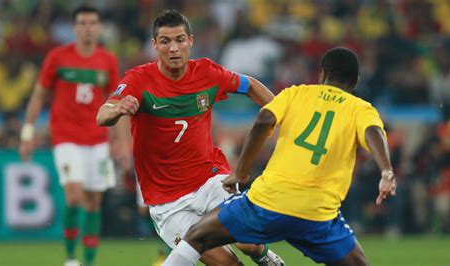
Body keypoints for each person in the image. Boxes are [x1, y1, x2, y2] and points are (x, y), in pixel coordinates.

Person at [163, 47, 398, 266]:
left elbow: (265, 119)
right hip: (317, 215)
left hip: (268, 202)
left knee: (196, 236)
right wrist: (386, 171)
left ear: (322, 74)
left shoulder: (296, 93)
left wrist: (241, 172)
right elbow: (373, 132)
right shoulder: (360, 108)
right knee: (358, 263)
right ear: (355, 81)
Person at [96, 10, 284, 266]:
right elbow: (102, 114)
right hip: (167, 203)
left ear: (190, 41)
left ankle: (263, 256)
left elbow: (249, 85)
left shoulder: (207, 73)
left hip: (210, 180)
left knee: (249, 243)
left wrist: (284, 117)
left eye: (179, 40)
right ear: (155, 45)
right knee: (228, 264)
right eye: (165, 41)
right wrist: (117, 109)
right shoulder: (139, 79)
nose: (173, 48)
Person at [19, 5, 129, 266]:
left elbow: (116, 102)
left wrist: (122, 141)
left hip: (97, 140)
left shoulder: (107, 61)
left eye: (92, 23)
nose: (88, 27)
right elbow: (38, 94)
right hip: (66, 138)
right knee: (74, 195)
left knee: (93, 202)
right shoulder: (58, 57)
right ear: (75, 27)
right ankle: (70, 258)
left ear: (99, 28)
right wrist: (27, 132)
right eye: (82, 23)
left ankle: (88, 262)